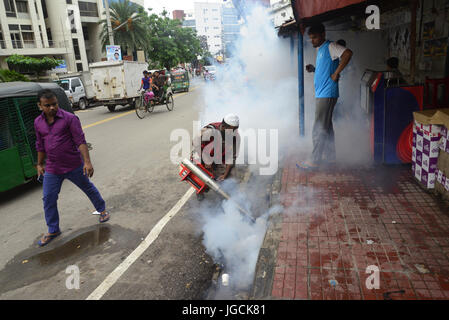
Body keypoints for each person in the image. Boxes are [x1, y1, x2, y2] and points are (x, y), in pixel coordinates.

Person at [34, 89, 110, 247]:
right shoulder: (38, 122)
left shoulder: (70, 118)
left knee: (87, 187)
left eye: (54, 104)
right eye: (47, 105)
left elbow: (80, 141)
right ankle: (53, 229)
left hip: (73, 164)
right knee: (48, 198)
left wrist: (87, 162)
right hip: (52, 168)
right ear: (40, 106)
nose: (52, 108)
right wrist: (39, 164)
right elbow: (40, 145)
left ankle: (102, 210)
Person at [300, 23, 353, 170]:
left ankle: (314, 160)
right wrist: (314, 70)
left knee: (319, 127)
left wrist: (336, 73)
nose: (313, 41)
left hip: (327, 93)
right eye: (311, 38)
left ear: (323, 34)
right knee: (327, 127)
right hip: (322, 92)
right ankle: (330, 158)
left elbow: (348, 54)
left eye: (315, 37)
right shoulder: (321, 49)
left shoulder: (331, 46)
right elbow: (325, 69)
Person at [192, 113, 241, 185]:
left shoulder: (236, 137)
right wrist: (205, 159)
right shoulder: (210, 130)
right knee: (201, 175)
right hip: (202, 153)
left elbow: (231, 159)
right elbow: (195, 141)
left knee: (231, 178)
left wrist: (225, 175)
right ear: (223, 126)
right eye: (231, 130)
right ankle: (199, 189)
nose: (233, 133)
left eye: (235, 129)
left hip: (218, 157)